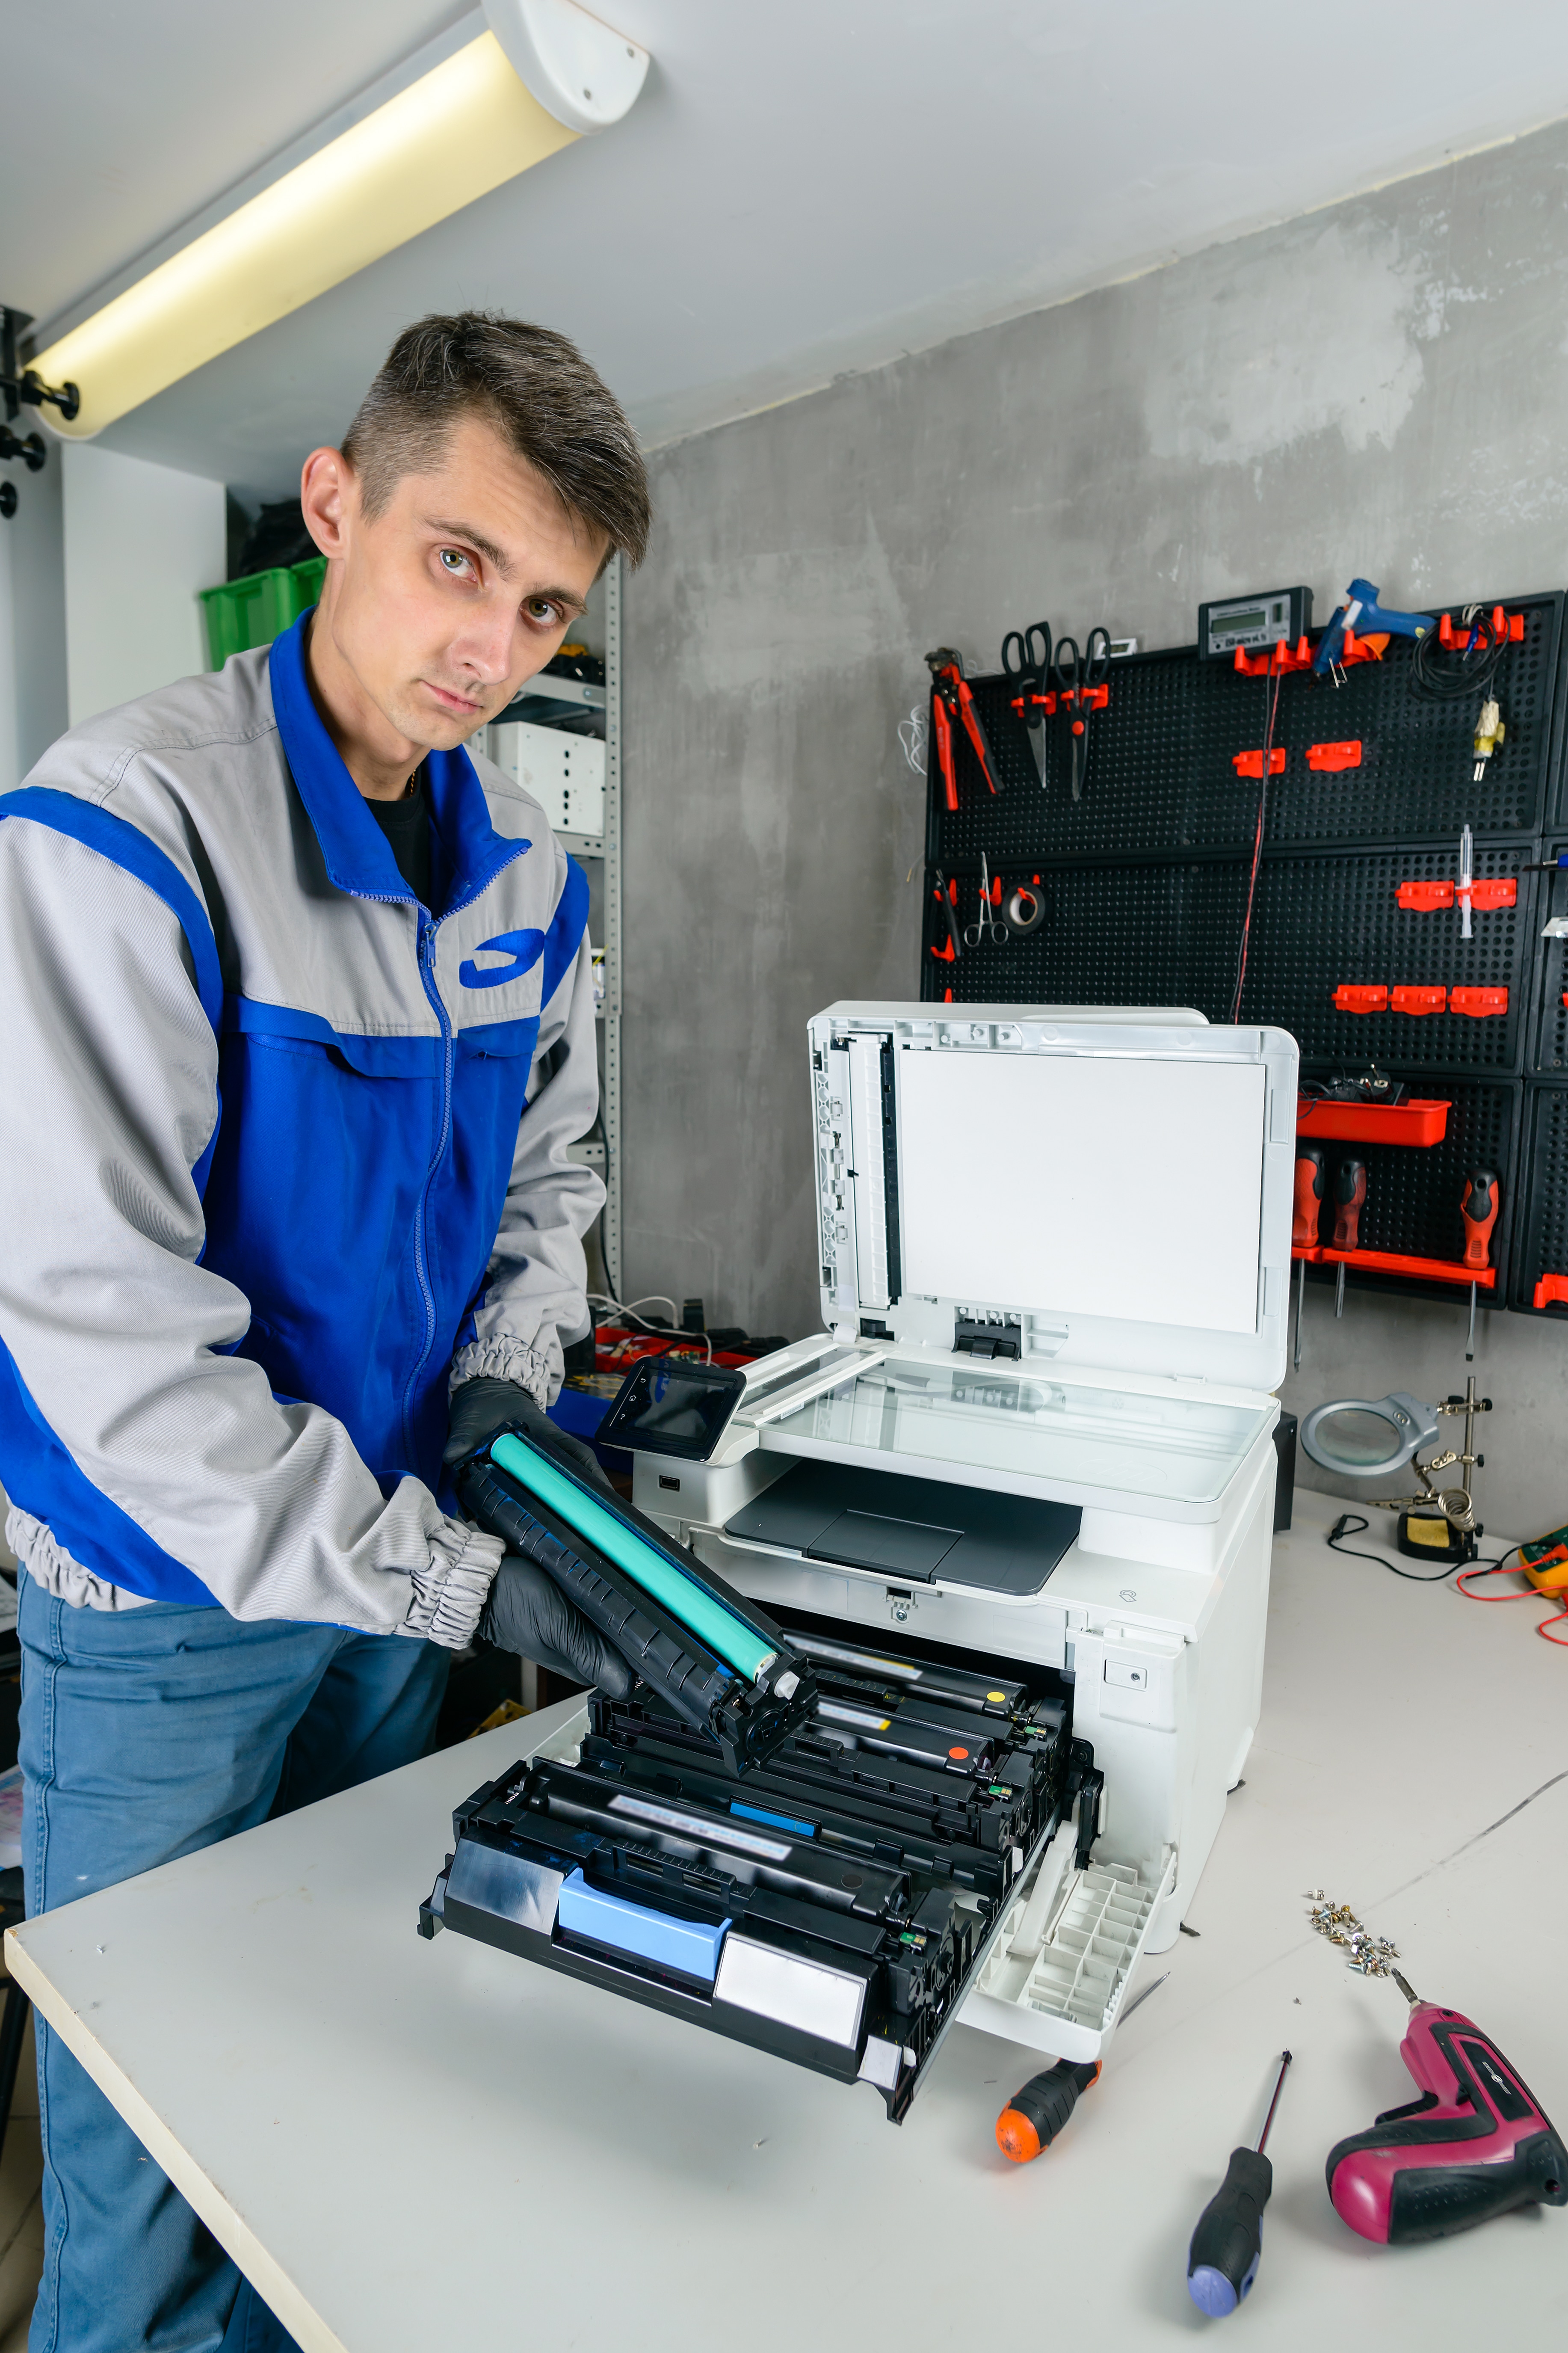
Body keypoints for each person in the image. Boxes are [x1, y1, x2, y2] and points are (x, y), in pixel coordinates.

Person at [0, 310, 650, 2353]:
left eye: (544, 606)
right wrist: (464, 1573)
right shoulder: (117, 831)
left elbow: (549, 1190)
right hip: (157, 1608)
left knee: (328, 2101)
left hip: (383, 1586)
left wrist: (509, 1404)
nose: (494, 643)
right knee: (142, 2152)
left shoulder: (527, 879)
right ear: (337, 503)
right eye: (459, 558)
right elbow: (115, 1353)